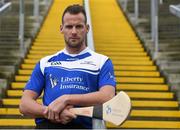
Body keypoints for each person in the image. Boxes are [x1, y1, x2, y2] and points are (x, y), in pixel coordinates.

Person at [19, 4, 116, 129]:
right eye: (69, 27)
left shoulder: (102, 61)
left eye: (79, 26)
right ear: (61, 29)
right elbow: (24, 104)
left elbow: (107, 96)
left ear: (87, 28)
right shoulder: (45, 63)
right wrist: (52, 112)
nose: (74, 32)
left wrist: (66, 99)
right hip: (48, 126)